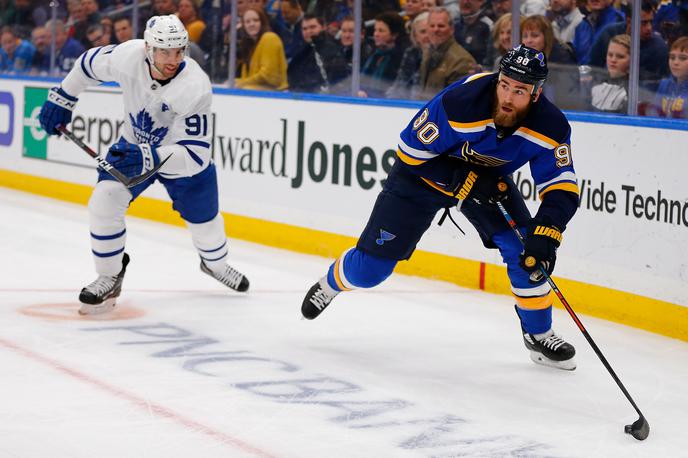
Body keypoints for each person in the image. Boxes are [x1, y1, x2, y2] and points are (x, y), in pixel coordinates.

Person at [301, 45, 580, 371]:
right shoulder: (461, 103)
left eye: (519, 91)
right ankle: (332, 282)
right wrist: (465, 180)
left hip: (486, 181)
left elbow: (562, 185)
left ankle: (538, 334)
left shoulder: (552, 126)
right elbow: (409, 152)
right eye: (504, 84)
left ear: (536, 93)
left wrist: (548, 231)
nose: (507, 96)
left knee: (527, 251)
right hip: (422, 176)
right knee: (370, 272)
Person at [38, 15, 250, 315]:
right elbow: (87, 64)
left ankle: (215, 264)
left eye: (179, 51)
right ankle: (110, 275)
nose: (173, 59)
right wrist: (63, 97)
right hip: (134, 146)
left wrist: (151, 156)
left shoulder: (195, 86)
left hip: (181, 161)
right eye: (164, 51)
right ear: (149, 49)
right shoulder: (128, 55)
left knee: (208, 227)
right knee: (104, 202)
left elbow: (196, 155)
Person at [419, 7, 476, 99]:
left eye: (441, 26)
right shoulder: (427, 52)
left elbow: (455, 100)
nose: (435, 30)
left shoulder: (462, 61)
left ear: (451, 29)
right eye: (432, 25)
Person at [287, 14, 348, 93]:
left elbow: (336, 81)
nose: (308, 31)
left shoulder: (331, 50)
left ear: (323, 27)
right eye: (304, 29)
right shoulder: (302, 51)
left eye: (313, 27)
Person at [236, 8, 288, 90]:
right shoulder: (250, 45)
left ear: (263, 22)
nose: (252, 24)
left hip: (275, 94)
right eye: (247, 22)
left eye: (256, 20)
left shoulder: (270, 38)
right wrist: (234, 82)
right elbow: (247, 78)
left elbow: (268, 75)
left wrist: (241, 83)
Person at [387, 11, 431, 99]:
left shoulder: (440, 56)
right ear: (415, 36)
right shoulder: (411, 53)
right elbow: (400, 83)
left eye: (429, 31)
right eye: (423, 32)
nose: (427, 35)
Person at [646, 36, 688, 118]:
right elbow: (654, 116)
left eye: (683, 58)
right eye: (672, 57)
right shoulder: (664, 84)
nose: (675, 62)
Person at [589, 34, 630, 113]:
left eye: (620, 56)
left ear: (631, 60)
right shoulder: (594, 84)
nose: (613, 60)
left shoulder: (633, 92)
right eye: (610, 55)